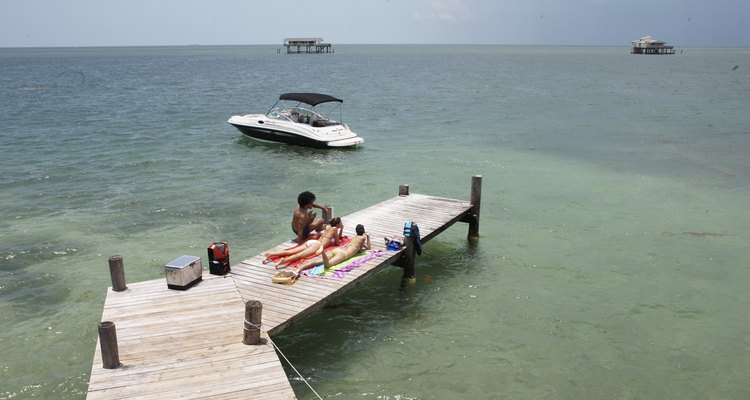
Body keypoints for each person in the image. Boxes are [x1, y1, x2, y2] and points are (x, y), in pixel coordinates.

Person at [263, 217, 343, 268]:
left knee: (291, 251)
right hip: (317, 245)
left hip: (312, 242)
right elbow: (337, 243)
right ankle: (284, 261)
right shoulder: (335, 229)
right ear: (338, 224)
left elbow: (336, 238)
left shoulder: (328, 228)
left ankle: (271, 254)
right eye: (340, 223)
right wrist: (341, 229)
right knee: (299, 255)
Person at [296, 224, 371, 276]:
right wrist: (368, 237)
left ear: (356, 231)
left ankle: (299, 269)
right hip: (344, 254)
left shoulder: (355, 238)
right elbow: (367, 248)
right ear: (363, 231)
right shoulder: (362, 238)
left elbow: (360, 245)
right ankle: (322, 251)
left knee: (318, 262)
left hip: (338, 250)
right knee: (328, 265)